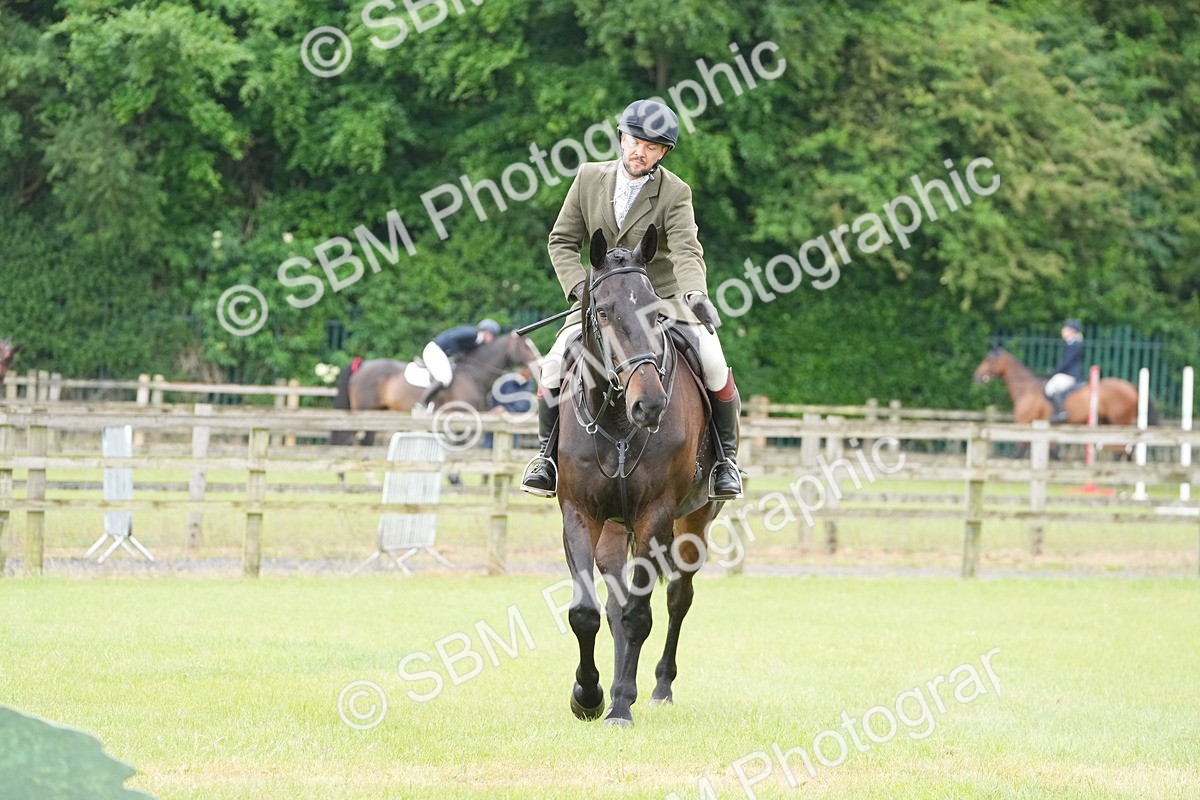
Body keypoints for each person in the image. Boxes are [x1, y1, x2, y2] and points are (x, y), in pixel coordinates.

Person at [521, 98, 743, 500]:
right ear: (621, 138)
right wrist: (581, 292)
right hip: (599, 303)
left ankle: (725, 461)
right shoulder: (588, 178)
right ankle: (545, 459)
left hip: (660, 301)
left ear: (663, 152)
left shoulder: (675, 192)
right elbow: (562, 241)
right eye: (635, 140)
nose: (640, 151)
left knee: (712, 360)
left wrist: (695, 294)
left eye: (652, 146)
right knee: (553, 367)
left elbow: (686, 250)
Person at [417, 318, 501, 407]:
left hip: (443, 353)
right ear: (487, 333)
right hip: (435, 351)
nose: (493, 340)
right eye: (493, 336)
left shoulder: (477, 341)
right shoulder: (472, 334)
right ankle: (422, 404)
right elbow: (452, 339)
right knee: (444, 378)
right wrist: (458, 354)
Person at [1044, 319, 1084, 423]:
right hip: (1068, 374)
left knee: (1050, 388)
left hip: (1070, 375)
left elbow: (1067, 362)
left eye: (1065, 329)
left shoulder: (1073, 344)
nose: (1062, 331)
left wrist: (1055, 371)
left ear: (1071, 331)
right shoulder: (1071, 343)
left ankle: (1060, 413)